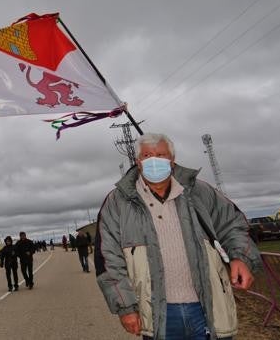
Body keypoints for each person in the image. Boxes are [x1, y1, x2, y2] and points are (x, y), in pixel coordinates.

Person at [94, 133, 262, 340]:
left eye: (161, 155)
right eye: (147, 155)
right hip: (157, 314)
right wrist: (126, 307)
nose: (153, 160)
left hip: (208, 306)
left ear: (172, 161)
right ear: (138, 162)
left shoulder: (199, 191)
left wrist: (240, 258)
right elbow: (108, 258)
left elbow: (233, 223)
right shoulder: (117, 202)